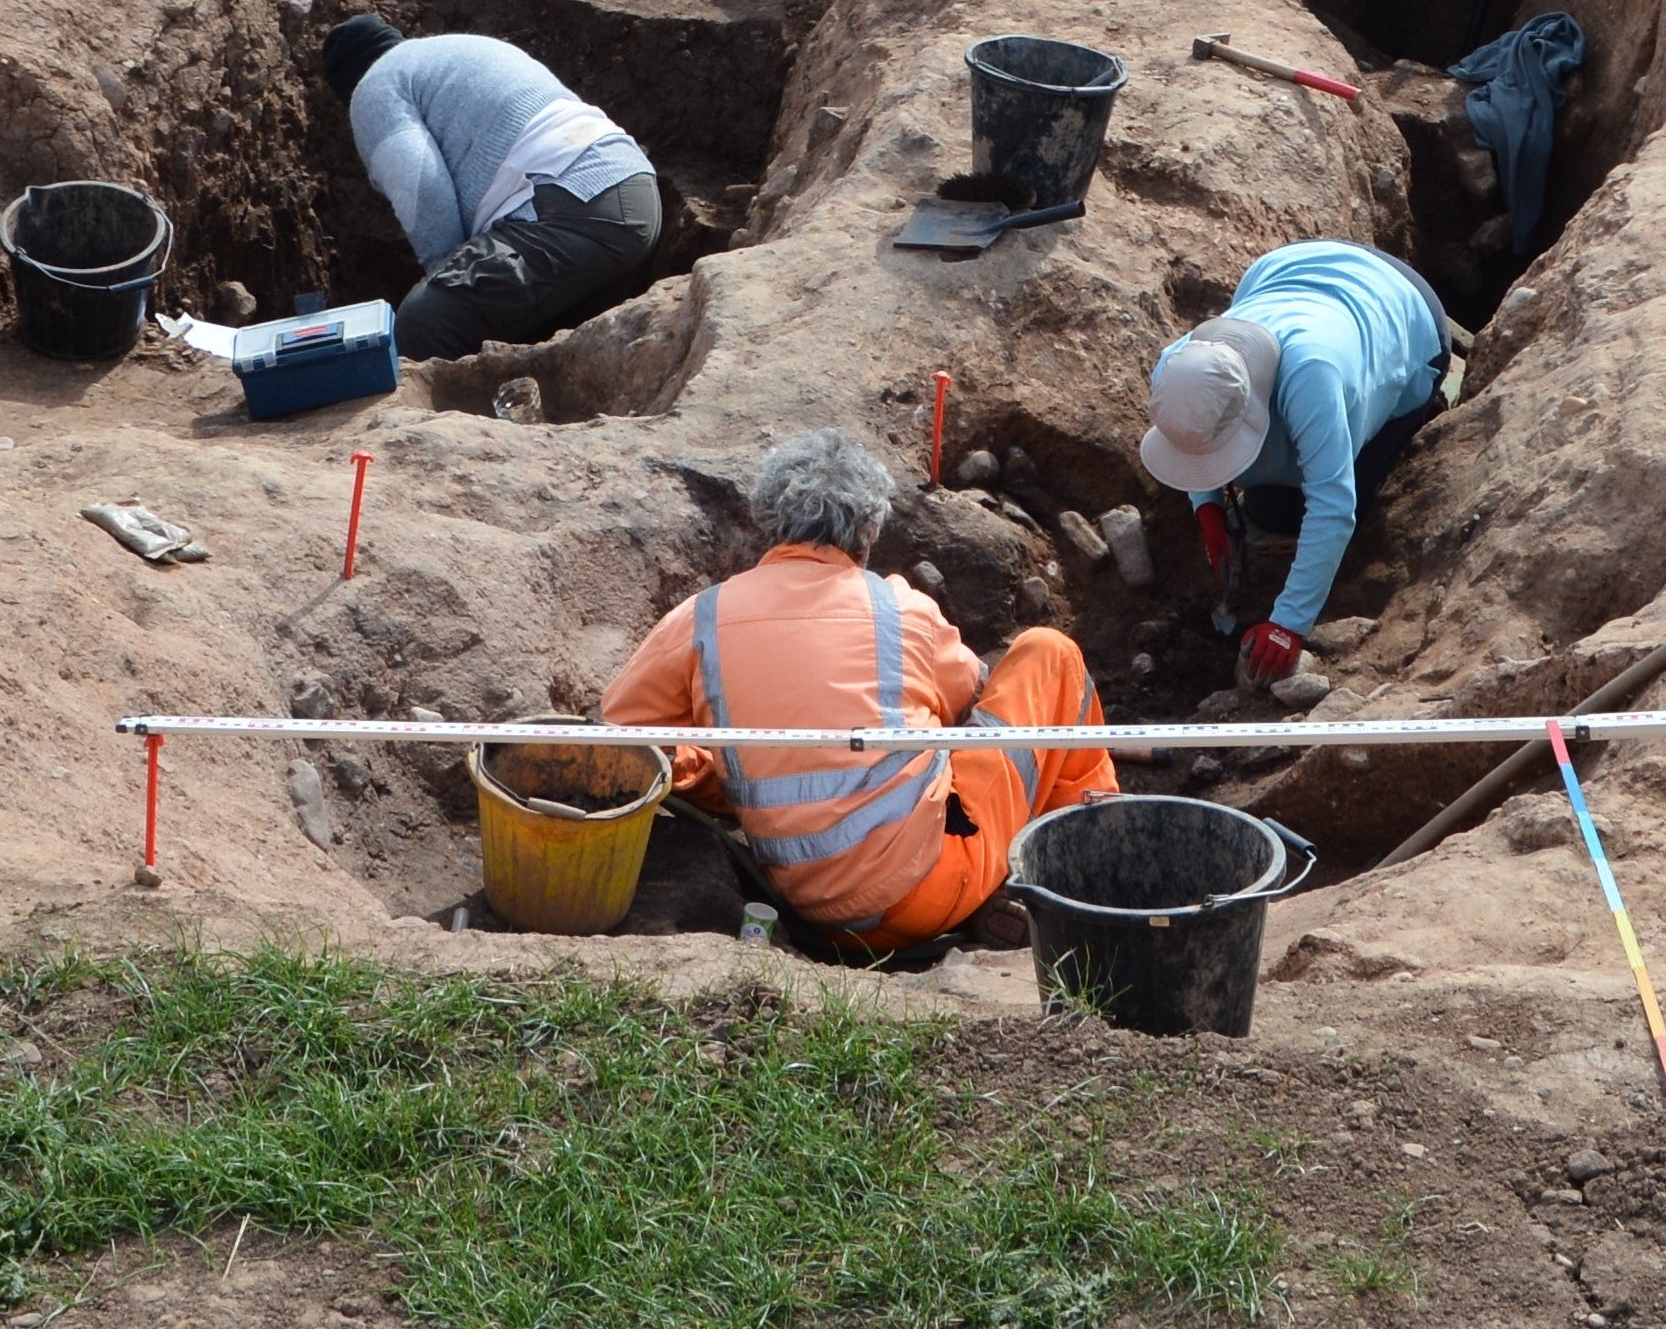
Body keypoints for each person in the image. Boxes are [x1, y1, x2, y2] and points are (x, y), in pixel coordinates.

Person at [602, 428, 1116, 955]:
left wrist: (727, 767)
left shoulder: (702, 617)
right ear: (869, 531)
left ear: (769, 523)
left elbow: (627, 734)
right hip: (925, 889)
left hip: (806, 903)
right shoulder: (901, 609)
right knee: (1049, 654)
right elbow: (969, 703)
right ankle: (1081, 871)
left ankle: (1000, 885)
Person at [1138, 240, 1452, 689]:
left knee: (1295, 512)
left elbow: (1332, 507)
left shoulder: (1312, 376)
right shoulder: (1180, 364)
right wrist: (1205, 507)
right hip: (1286, 267)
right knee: (1268, 505)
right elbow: (1190, 436)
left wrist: (1288, 624)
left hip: (1406, 309)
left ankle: (1414, 404)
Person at [321, 17, 663, 362]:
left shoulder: (374, 87)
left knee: (422, 324)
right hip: (634, 191)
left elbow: (423, 186)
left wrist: (447, 276)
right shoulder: (454, 51)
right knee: (535, 340)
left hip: (571, 209)